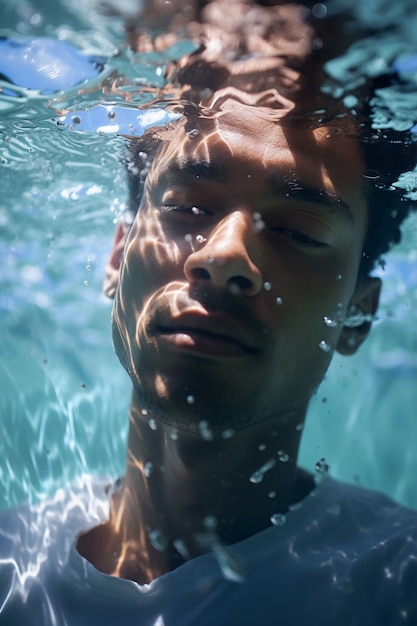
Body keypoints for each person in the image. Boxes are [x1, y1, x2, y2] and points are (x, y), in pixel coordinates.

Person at [1, 1, 417, 624]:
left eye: (298, 232)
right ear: (117, 259)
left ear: (357, 314)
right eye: (188, 207)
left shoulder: (397, 583)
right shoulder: (12, 562)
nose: (225, 257)